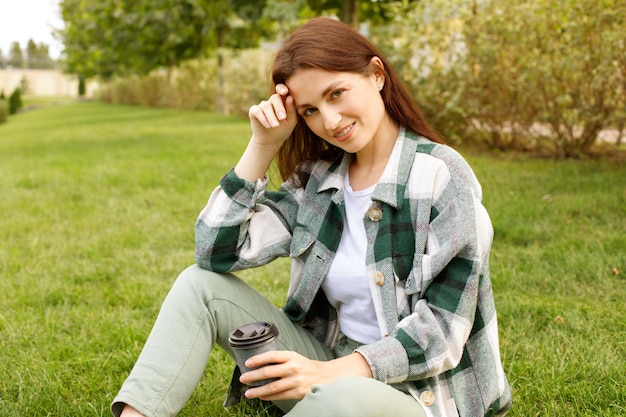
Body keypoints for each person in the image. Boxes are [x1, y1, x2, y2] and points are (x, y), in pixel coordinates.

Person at [112, 17, 512, 417]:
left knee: (343, 396)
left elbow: (443, 331)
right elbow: (213, 252)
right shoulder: (317, 181)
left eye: (337, 93)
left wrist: (330, 374)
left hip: (422, 395)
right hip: (327, 366)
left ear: (376, 75)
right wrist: (262, 144)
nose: (330, 121)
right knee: (199, 286)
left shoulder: (440, 175)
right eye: (310, 111)